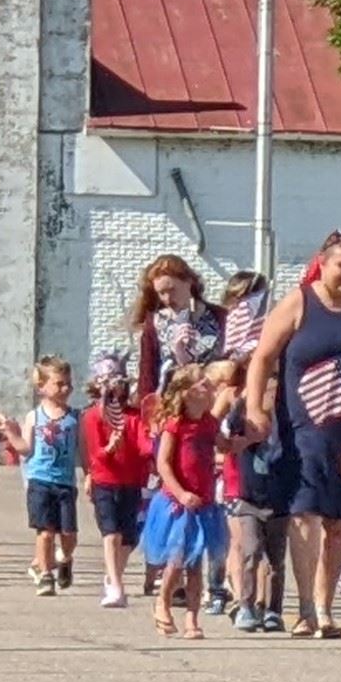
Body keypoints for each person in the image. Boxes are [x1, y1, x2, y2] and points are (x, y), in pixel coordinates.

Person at [245, 229, 341, 640]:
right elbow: (261, 358)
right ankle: (305, 607)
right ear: (323, 262)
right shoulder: (299, 302)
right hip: (302, 428)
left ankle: (326, 608)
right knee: (305, 514)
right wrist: (256, 407)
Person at [142, 361, 226, 639]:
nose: (208, 386)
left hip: (203, 503)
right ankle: (162, 602)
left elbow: (224, 445)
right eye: (202, 383)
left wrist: (249, 435)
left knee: (196, 565)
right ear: (188, 392)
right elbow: (163, 463)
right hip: (177, 503)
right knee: (176, 560)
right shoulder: (175, 424)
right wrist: (179, 493)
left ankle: (192, 618)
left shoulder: (209, 423)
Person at [0, 356, 81, 597]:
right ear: (42, 387)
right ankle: (45, 575)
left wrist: (91, 475)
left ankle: (64, 558)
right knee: (45, 532)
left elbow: (82, 451)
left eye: (68, 384)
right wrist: (11, 435)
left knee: (68, 534)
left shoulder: (75, 417)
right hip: (40, 480)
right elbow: (26, 448)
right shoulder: (35, 416)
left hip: (65, 482)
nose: (65, 389)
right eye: (59, 384)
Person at [216, 357, 287, 634]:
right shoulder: (243, 420)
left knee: (276, 560)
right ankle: (245, 605)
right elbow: (230, 422)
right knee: (250, 550)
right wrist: (247, 397)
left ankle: (272, 609)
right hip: (249, 497)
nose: (269, 388)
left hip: (280, 498)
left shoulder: (286, 427)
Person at [81, 353, 150, 608]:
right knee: (110, 534)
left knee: (128, 538)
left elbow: (144, 446)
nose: (117, 390)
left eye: (121, 384)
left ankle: (113, 576)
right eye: (111, 385)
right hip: (105, 480)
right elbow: (94, 452)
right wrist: (108, 449)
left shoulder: (135, 416)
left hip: (131, 481)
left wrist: (156, 448)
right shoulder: (92, 416)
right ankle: (116, 587)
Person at [132, 254, 222, 397]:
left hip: (213, 402)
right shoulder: (156, 322)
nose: (167, 299)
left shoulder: (219, 316)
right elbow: (147, 374)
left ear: (189, 282)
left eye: (172, 290)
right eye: (161, 293)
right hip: (171, 403)